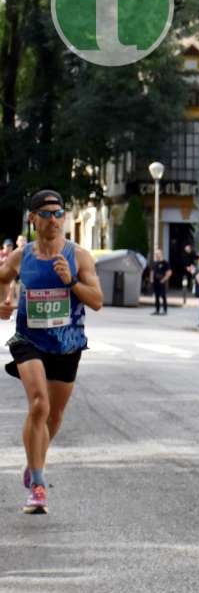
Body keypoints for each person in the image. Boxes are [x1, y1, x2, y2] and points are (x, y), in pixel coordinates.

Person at [0, 189, 103, 514]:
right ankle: (39, 485)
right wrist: (3, 302)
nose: (55, 220)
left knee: (54, 415)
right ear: (33, 218)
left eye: (59, 213)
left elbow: (97, 300)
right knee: (39, 404)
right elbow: (2, 277)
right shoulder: (22, 256)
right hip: (29, 340)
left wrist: (71, 281)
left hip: (67, 343)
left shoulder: (79, 256)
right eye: (47, 214)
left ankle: (34, 461)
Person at [151, 249, 172, 315]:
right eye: (155, 254)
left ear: (161, 254)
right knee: (156, 296)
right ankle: (157, 310)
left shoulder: (165, 263)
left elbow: (169, 272)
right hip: (155, 281)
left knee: (163, 296)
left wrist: (164, 279)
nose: (156, 255)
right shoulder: (154, 262)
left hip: (162, 281)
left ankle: (165, 310)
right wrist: (151, 279)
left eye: (158, 254)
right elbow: (152, 271)